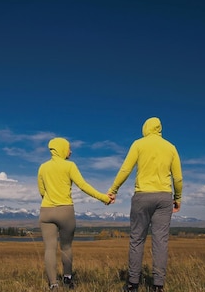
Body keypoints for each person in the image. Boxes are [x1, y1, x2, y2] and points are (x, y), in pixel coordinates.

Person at [108, 117, 183, 292]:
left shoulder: (138, 144)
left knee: (136, 240)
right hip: (164, 198)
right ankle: (158, 286)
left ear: (145, 128)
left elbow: (126, 169)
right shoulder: (171, 148)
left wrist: (113, 189)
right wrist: (177, 198)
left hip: (142, 196)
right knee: (161, 241)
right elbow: (178, 178)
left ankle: (133, 284)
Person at [37, 137, 113, 290]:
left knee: (49, 249)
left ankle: (53, 284)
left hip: (46, 211)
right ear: (61, 148)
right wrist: (104, 198)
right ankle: (67, 279)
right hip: (65, 211)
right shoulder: (70, 166)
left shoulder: (42, 168)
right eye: (68, 148)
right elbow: (83, 186)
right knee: (66, 247)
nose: (70, 151)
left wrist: (51, 201)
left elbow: (42, 191)